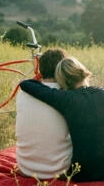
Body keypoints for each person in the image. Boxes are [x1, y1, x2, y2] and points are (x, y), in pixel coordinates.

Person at [19, 57, 104, 183]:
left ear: (64, 81)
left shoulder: (65, 99)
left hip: (81, 174)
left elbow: (26, 84)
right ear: (83, 72)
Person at [15, 48, 72, 179]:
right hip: (59, 171)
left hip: (25, 168)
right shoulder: (67, 96)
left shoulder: (23, 93)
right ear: (63, 69)